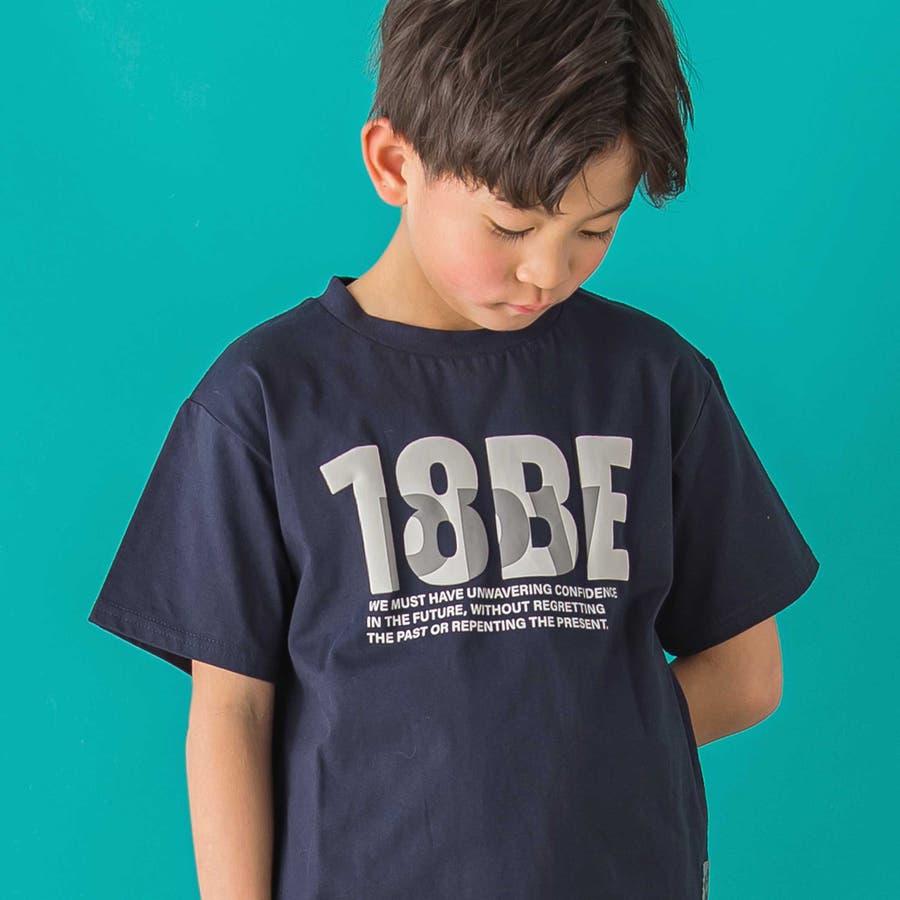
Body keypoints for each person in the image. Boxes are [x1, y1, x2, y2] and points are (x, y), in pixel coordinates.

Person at [87, 1, 820, 897]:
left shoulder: (652, 381)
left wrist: (563, 756)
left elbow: (749, 675)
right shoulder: (265, 401)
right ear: (396, 163)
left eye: (595, 229)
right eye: (512, 226)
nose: (548, 271)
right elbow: (231, 709)